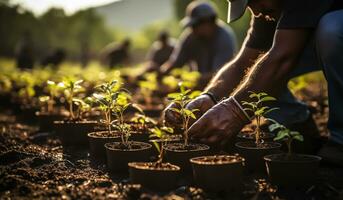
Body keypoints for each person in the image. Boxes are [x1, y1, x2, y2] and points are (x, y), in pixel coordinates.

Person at [164, 0, 343, 166]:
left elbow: (282, 58)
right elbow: (243, 63)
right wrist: (209, 96)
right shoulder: (267, 10)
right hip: (310, 43)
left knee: (332, 30)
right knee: (261, 66)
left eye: (253, 1)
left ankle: (340, 140)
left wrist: (235, 111)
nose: (256, 13)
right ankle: (297, 123)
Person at [160, 1, 237, 83]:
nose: (192, 29)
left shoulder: (224, 38)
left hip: (220, 86)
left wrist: (191, 80)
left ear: (209, 22)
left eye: (195, 25)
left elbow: (220, 73)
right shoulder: (190, 36)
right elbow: (176, 62)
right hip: (198, 83)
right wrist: (161, 72)